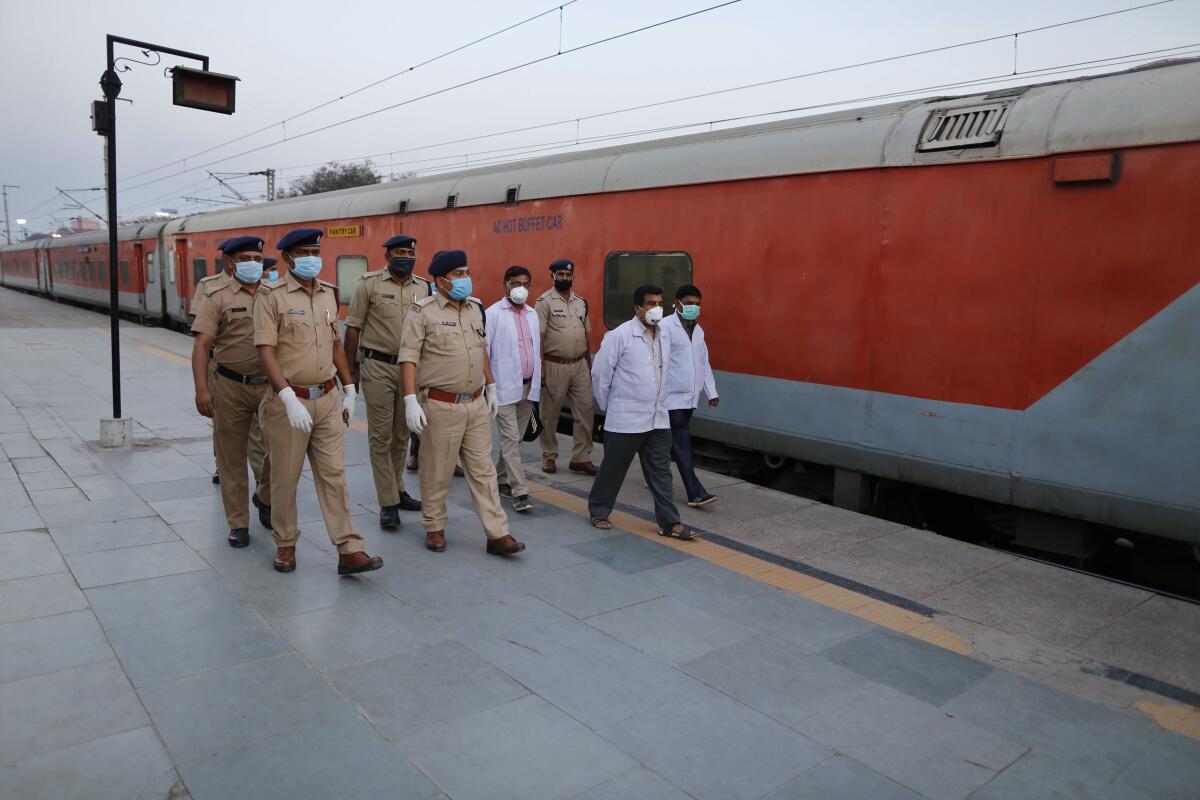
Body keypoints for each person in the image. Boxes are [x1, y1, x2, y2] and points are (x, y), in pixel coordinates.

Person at [253, 228, 382, 575]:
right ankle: (285, 544)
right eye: (305, 252)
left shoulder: (328, 294)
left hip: (326, 398)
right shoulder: (271, 296)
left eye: (316, 250)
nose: (312, 257)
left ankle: (349, 549)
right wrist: (285, 396)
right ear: (287, 258)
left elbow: (335, 344)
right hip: (288, 401)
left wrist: (349, 387)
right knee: (285, 477)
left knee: (334, 476)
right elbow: (265, 351)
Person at [398, 249, 526, 555]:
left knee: (483, 472)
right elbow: (409, 358)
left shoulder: (475, 308)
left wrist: (491, 386)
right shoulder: (422, 311)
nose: (465, 279)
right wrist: (411, 400)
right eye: (458, 274)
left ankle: (497, 534)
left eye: (466, 272)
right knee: (437, 471)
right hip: (441, 405)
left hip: (476, 404)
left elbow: (480, 349)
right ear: (441, 280)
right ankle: (434, 527)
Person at [588, 284, 697, 540]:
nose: (656, 308)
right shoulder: (620, 336)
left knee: (661, 471)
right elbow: (600, 374)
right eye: (650, 304)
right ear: (637, 308)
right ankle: (599, 510)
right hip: (626, 418)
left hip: (658, 418)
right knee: (614, 468)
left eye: (659, 303)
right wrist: (611, 407)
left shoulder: (665, 335)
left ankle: (669, 523)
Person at [190, 236, 273, 547]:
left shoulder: (274, 294)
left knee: (273, 455)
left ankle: (265, 496)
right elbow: (201, 346)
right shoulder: (215, 296)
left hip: (268, 387)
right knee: (231, 460)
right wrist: (202, 389)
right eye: (245, 258)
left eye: (257, 257)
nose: (253, 263)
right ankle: (238, 523)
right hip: (229, 385)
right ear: (229, 262)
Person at [344, 234, 430, 529]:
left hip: (410, 369)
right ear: (387, 256)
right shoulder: (368, 284)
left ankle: (398, 489)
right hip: (377, 367)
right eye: (399, 252)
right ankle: (388, 502)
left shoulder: (423, 286)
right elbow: (353, 329)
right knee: (380, 437)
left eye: (410, 252)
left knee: (402, 435)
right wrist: (350, 374)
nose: (405, 256)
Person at [535, 258, 598, 476]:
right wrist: (541, 367)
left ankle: (581, 457)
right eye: (560, 274)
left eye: (568, 275)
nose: (565, 278)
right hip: (554, 365)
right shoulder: (544, 302)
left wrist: (588, 365)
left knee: (585, 411)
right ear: (551, 275)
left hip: (579, 364)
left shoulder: (581, 302)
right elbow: (540, 336)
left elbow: (585, 334)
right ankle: (549, 456)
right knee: (549, 414)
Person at [485, 266, 540, 513]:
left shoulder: (532, 314)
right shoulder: (493, 314)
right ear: (505, 284)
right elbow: (484, 352)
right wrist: (489, 387)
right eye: (516, 283)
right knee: (510, 440)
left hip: (528, 387)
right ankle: (520, 492)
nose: (521, 288)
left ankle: (497, 477)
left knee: (514, 440)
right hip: (504, 388)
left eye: (526, 284)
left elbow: (534, 349)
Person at [660, 284, 720, 508]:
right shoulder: (666, 327)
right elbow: (660, 362)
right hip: (671, 398)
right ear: (677, 304)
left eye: (698, 304)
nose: (694, 307)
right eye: (689, 303)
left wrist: (711, 392)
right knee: (682, 444)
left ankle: (652, 474)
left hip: (690, 399)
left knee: (664, 441)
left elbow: (703, 363)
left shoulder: (698, 330)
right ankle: (695, 492)